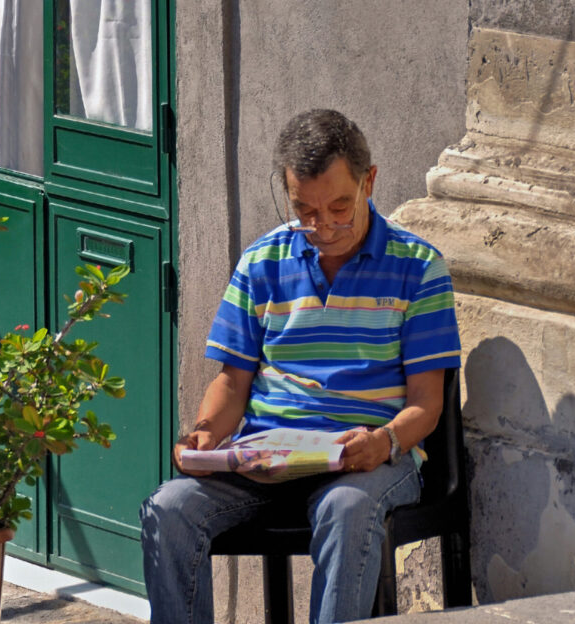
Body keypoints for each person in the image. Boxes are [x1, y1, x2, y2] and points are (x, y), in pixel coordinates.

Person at [139, 109, 461, 624]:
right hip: (267, 457)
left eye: (339, 206)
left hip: (369, 458)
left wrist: (383, 442)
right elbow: (231, 381)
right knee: (169, 510)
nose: (323, 227)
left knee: (347, 511)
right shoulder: (262, 262)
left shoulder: (419, 268)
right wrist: (204, 435)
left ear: (368, 181)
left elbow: (427, 403)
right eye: (304, 210)